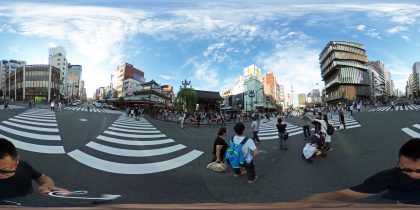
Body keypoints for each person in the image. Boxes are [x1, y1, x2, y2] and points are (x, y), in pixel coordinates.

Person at [298, 138, 420, 203]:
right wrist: (314, 201)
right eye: (401, 166)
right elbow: (346, 194)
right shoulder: (392, 176)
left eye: (413, 170)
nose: (405, 172)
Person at [0, 138, 68, 199]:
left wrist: (46, 186)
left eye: (3, 170)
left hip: (25, 199)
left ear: (17, 161)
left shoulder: (23, 166)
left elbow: (42, 177)